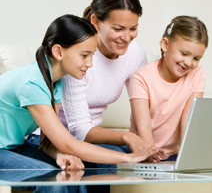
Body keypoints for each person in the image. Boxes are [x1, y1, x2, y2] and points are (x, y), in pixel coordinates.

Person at [0, 14, 157, 171]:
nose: (89, 64)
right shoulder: (32, 84)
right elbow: (68, 144)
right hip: (3, 150)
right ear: (58, 52)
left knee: (70, 169)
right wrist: (126, 158)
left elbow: (47, 140)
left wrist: (60, 156)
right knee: (49, 175)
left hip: (14, 146)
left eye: (92, 55)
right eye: (84, 56)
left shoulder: (56, 82)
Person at [57, 0, 155, 161]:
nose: (126, 38)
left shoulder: (135, 54)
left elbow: (141, 107)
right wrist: (126, 136)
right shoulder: (78, 56)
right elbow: (78, 130)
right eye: (118, 29)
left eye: (132, 28)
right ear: (95, 21)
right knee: (115, 162)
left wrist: (148, 147)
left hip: (94, 138)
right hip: (59, 139)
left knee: (143, 158)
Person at [129, 15, 209, 162]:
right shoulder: (141, 78)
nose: (189, 63)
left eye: (196, 58)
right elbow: (143, 128)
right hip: (145, 149)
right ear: (165, 45)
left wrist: (188, 158)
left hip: (176, 154)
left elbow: (188, 121)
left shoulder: (197, 74)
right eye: (184, 54)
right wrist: (151, 157)